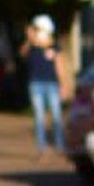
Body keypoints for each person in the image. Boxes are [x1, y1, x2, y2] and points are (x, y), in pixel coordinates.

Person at [21, 14, 65, 157]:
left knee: (56, 116)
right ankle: (42, 148)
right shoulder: (32, 47)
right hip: (36, 83)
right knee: (39, 117)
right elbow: (22, 53)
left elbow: (59, 65)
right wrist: (29, 39)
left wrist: (62, 84)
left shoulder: (54, 46)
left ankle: (60, 146)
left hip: (52, 83)